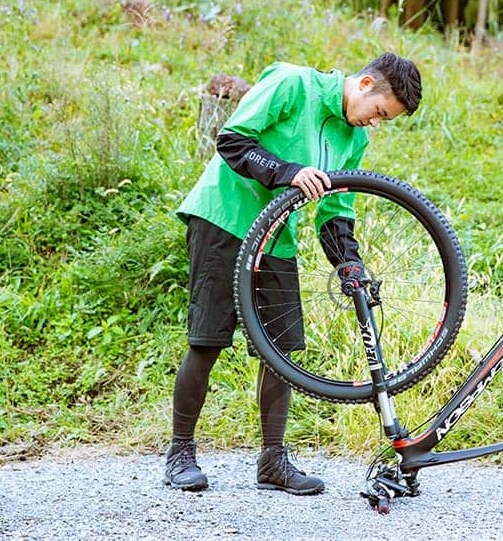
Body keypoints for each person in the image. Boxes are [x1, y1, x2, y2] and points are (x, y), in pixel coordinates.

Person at [165, 53, 422, 494]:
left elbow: (335, 214)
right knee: (207, 341)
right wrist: (289, 173)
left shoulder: (353, 139)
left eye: (385, 120)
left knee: (281, 354)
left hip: (276, 237)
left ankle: (272, 461)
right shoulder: (292, 84)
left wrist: (350, 266)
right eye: (379, 111)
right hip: (224, 218)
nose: (375, 123)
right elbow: (233, 141)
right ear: (365, 85)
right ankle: (180, 453)